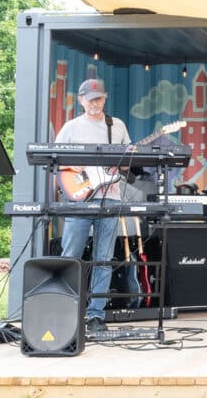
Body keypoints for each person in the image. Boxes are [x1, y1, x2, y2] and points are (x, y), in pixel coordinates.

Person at [55, 78, 132, 333]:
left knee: (103, 258)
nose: (94, 103)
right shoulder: (71, 127)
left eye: (98, 98)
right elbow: (54, 159)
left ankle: (96, 316)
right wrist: (71, 166)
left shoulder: (117, 126)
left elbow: (127, 163)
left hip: (110, 197)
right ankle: (64, 311)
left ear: (105, 99)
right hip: (79, 197)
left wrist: (121, 162)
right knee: (71, 255)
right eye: (90, 99)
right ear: (81, 100)